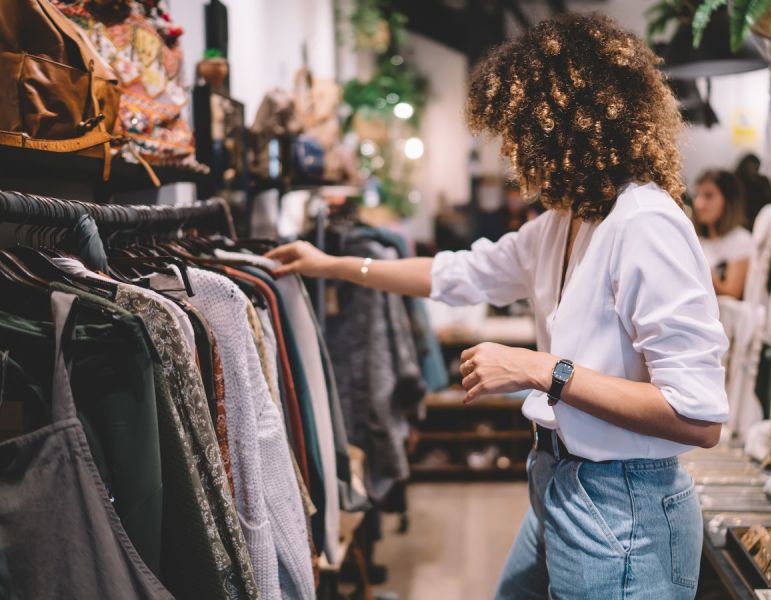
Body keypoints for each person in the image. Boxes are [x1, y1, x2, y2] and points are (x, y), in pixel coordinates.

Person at [268, 13, 727, 600]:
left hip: (623, 506)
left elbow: (698, 416)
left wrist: (540, 370)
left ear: (563, 128)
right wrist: (329, 265)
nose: (512, 155)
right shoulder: (563, 223)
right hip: (559, 480)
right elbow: (457, 272)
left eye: (518, 133)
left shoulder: (646, 224)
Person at [692, 169, 754, 300]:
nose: (699, 204)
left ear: (728, 200)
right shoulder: (698, 240)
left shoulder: (741, 239)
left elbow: (732, 293)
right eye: (697, 195)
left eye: (708, 196)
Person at [735, 153, 771, 229]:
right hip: (742, 218)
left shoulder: (763, 181)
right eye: (751, 167)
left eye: (756, 167)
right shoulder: (737, 181)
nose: (753, 170)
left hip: (762, 217)